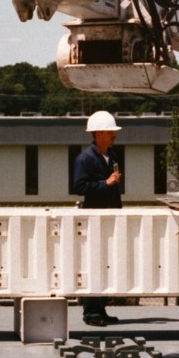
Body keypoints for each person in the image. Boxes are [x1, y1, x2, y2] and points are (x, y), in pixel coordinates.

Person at [73, 111, 123, 327]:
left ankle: (99, 308)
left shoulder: (111, 156)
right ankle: (91, 311)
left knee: (104, 263)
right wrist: (106, 183)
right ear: (99, 133)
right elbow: (79, 186)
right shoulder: (85, 158)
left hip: (109, 216)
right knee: (94, 262)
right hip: (95, 217)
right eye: (110, 131)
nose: (114, 135)